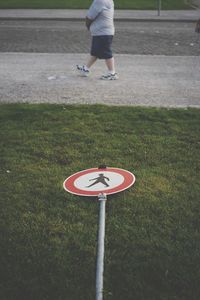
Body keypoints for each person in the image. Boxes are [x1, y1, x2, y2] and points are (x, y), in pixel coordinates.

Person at [76, 0, 118, 80]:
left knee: (106, 52)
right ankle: (86, 69)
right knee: (95, 52)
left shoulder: (99, 1)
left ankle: (112, 73)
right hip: (102, 32)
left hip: (103, 32)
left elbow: (89, 17)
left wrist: (88, 26)